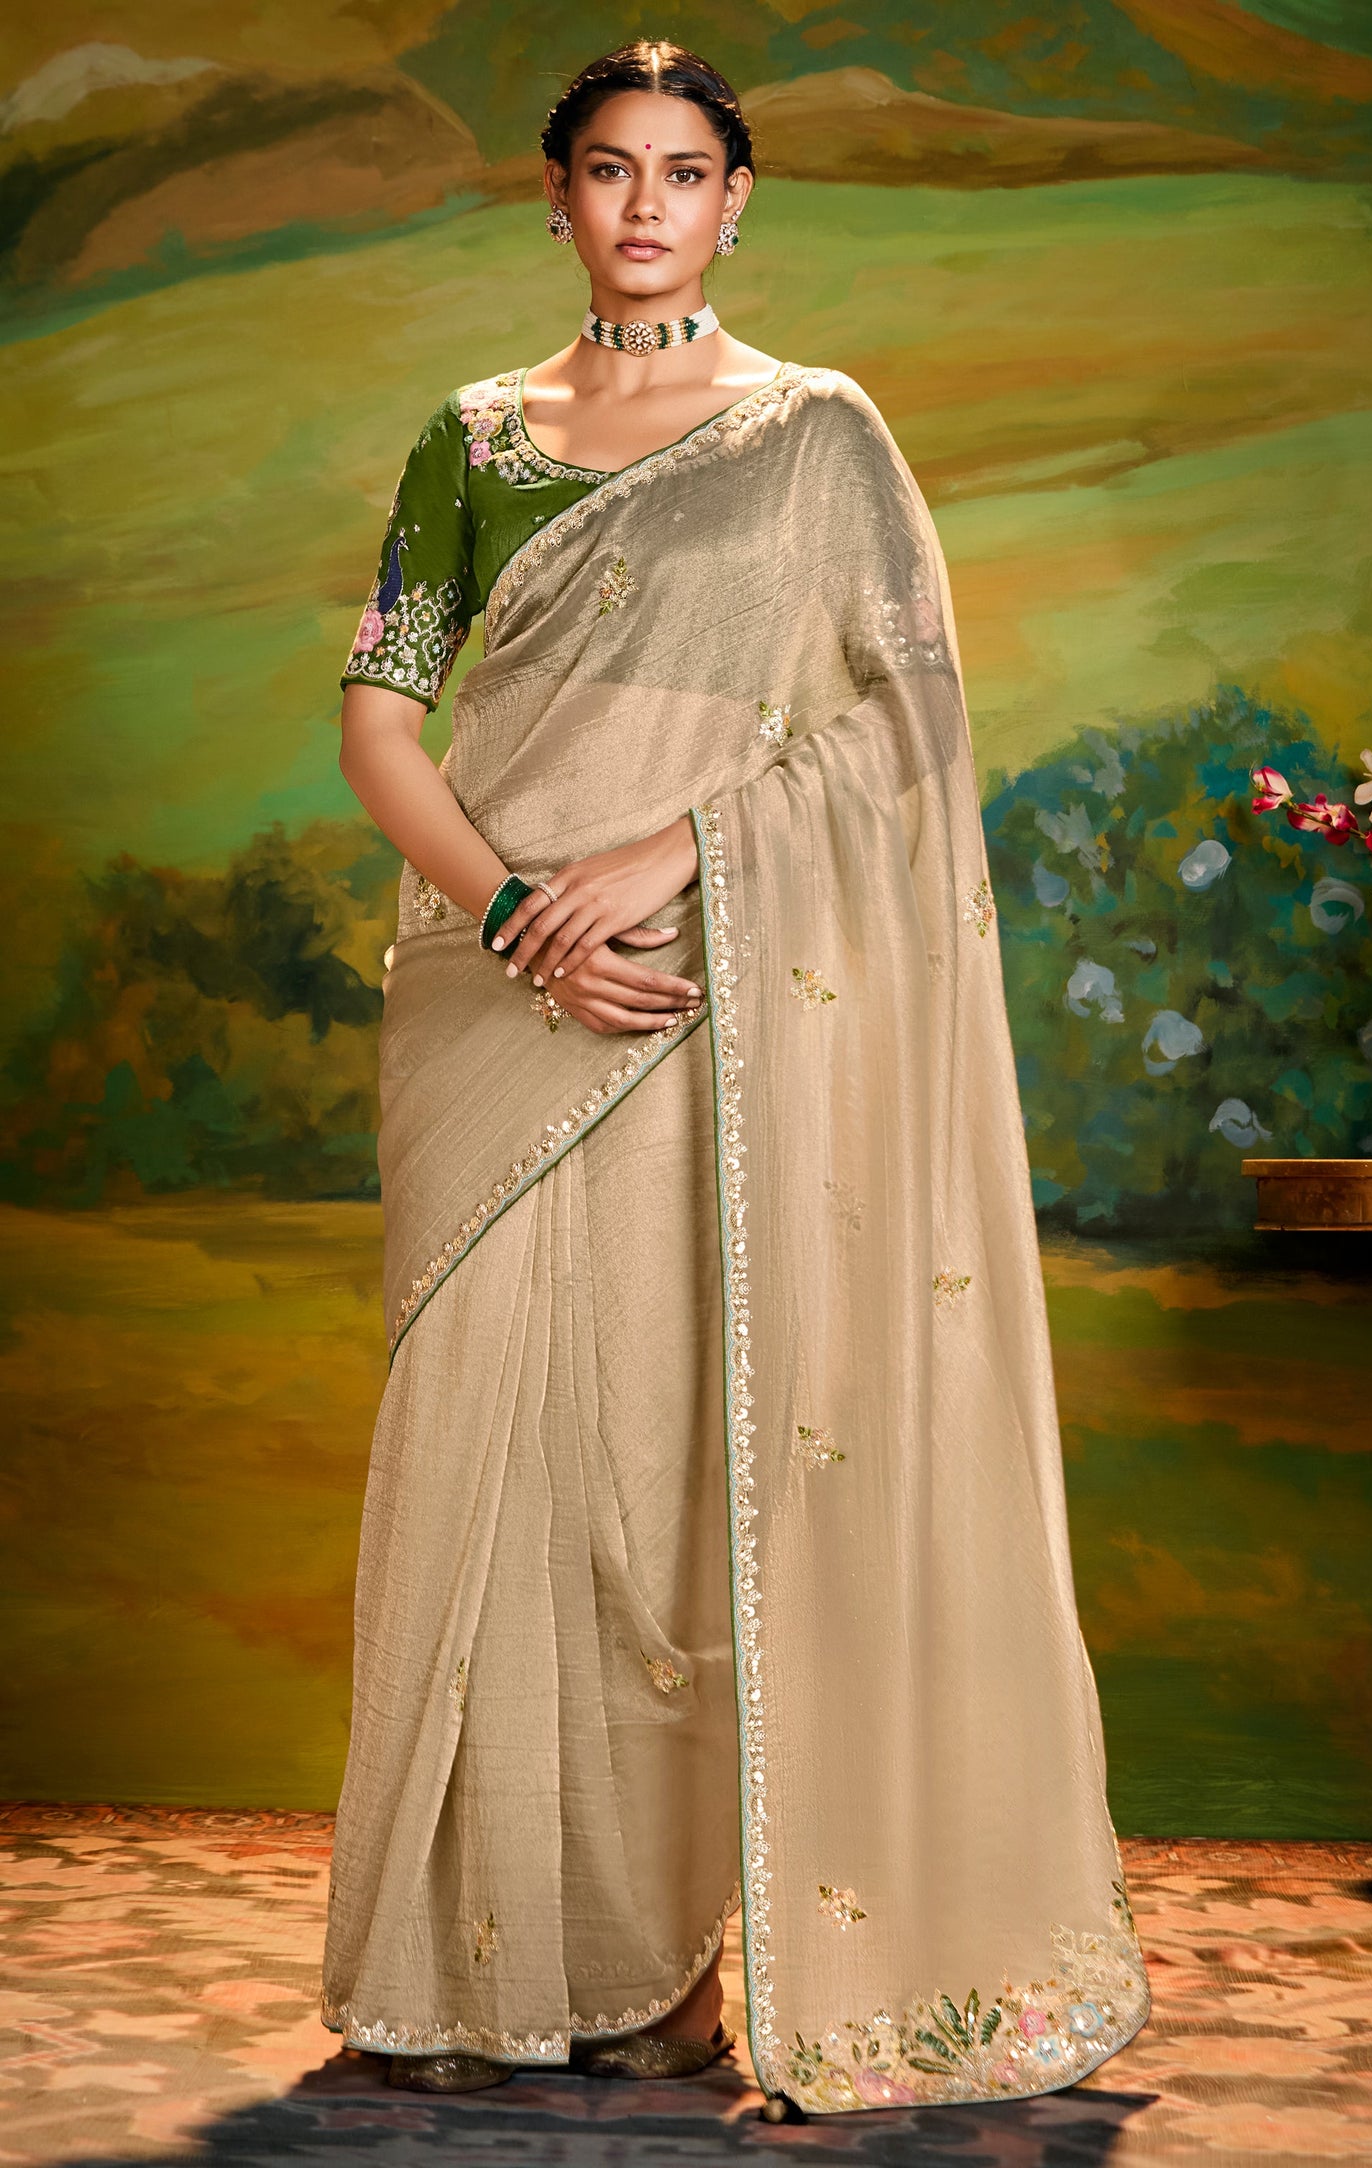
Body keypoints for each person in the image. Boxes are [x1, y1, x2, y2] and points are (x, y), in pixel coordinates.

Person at [320, 39, 1150, 2121]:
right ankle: (461, 1968)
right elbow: (382, 722)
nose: (644, 207)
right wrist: (522, 907)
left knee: (660, 1477)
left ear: (734, 201)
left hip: (698, 993)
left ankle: (658, 1960)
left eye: (682, 172)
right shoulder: (470, 440)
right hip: (497, 1000)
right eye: (608, 170)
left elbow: (899, 726)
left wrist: (674, 852)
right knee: (486, 1462)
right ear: (556, 197)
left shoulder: (814, 438)